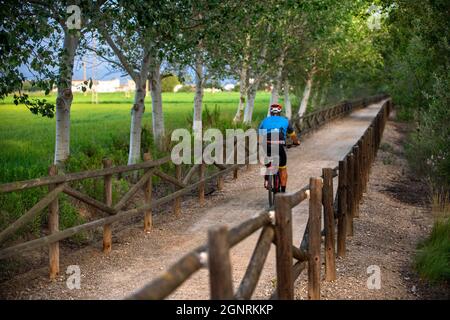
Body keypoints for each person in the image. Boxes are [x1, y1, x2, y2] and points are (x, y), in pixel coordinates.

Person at [258, 103, 300, 193]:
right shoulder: (286, 121)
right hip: (279, 146)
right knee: (282, 168)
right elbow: (293, 136)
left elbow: (260, 138)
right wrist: (296, 142)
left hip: (267, 145)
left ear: (270, 112)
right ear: (280, 112)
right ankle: (283, 191)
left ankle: (267, 176)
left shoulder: (264, 121)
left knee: (266, 159)